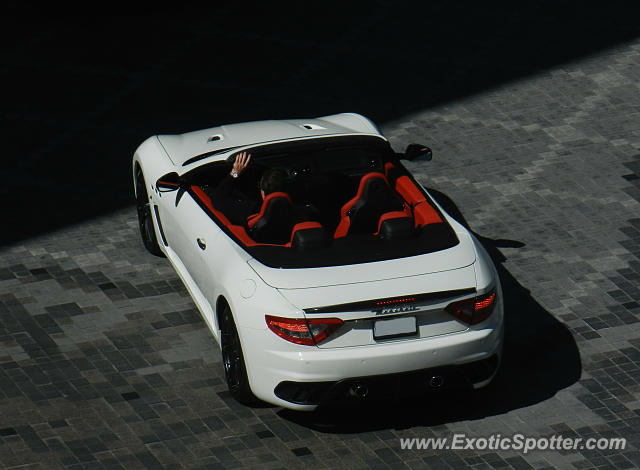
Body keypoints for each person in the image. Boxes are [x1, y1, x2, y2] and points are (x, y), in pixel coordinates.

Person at [208, 152, 288, 226]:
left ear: (262, 192)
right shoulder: (294, 213)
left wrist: (235, 173)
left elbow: (218, 200)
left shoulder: (249, 211)